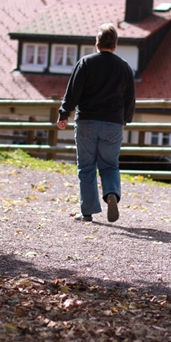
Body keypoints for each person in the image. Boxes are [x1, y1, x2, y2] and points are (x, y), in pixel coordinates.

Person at [57, 23, 135, 223]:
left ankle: (88, 212)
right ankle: (111, 194)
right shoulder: (124, 67)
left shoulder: (86, 63)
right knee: (110, 165)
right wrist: (125, 119)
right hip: (113, 124)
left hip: (87, 122)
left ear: (97, 42)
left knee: (86, 167)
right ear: (115, 44)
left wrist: (64, 114)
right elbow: (130, 98)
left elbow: (73, 91)